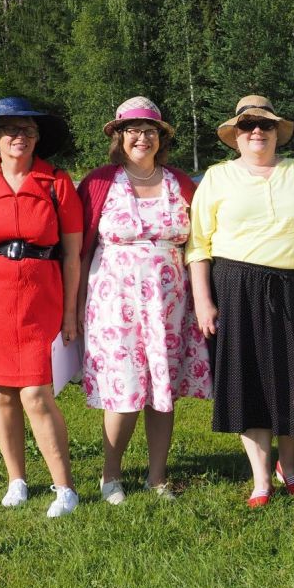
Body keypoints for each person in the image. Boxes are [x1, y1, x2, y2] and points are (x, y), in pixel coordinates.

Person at [187, 95, 294, 508]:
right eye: (247, 125)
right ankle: (260, 478)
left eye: (265, 124)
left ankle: (288, 465)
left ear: (277, 132)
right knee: (249, 380)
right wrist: (203, 301)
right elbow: (198, 245)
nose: (256, 131)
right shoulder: (217, 178)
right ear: (235, 135)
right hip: (236, 289)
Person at [0, 97, 83, 518]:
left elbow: (73, 255)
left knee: (36, 393)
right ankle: (17, 481)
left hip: (40, 297)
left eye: (27, 128)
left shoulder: (56, 182)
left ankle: (65, 488)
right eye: (9, 129)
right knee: (2, 393)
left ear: (38, 136)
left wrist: (70, 313)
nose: (18, 136)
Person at [77, 97, 211, 504]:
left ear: (160, 138)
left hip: (170, 306)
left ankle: (157, 477)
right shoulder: (99, 182)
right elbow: (80, 250)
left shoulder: (180, 183)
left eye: (150, 130)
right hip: (114, 303)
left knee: (162, 392)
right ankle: (111, 475)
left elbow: (199, 243)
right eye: (132, 130)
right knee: (123, 389)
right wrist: (75, 307)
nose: (142, 137)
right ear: (119, 137)